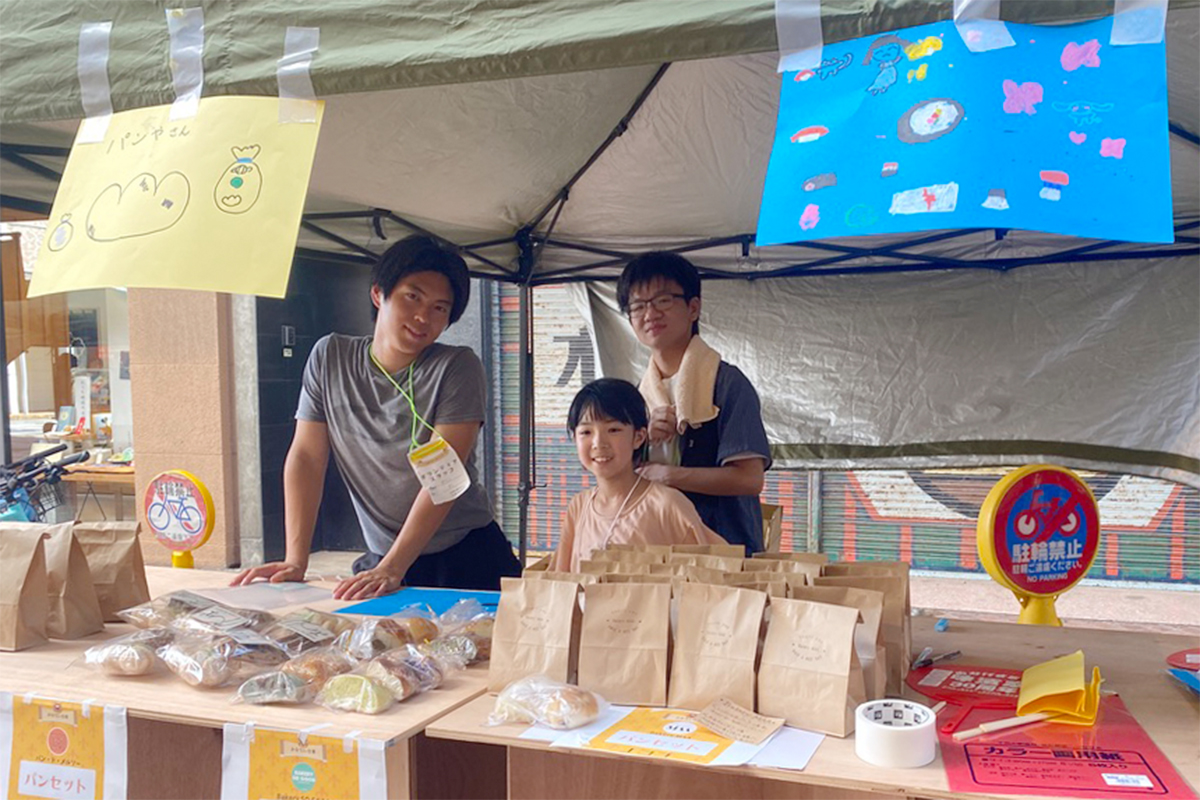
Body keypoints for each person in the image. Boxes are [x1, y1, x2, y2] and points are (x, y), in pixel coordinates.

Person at [233, 235, 521, 598]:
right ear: (378, 294)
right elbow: (307, 457)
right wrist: (296, 559)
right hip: (384, 557)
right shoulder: (330, 357)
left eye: (439, 308)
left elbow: (443, 476)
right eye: (412, 297)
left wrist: (394, 566)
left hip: (465, 555)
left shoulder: (456, 367)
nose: (423, 317)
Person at [617, 252, 771, 554]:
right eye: (637, 305)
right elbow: (622, 475)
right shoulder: (638, 394)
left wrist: (670, 476)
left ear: (693, 308)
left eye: (663, 300)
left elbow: (750, 479)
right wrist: (640, 438)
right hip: (654, 545)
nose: (650, 313)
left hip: (724, 548)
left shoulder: (727, 383)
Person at [552, 378, 724, 571]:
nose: (599, 443)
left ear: (638, 437)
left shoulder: (667, 505)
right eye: (586, 432)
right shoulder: (579, 507)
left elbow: (719, 570)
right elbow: (560, 582)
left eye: (613, 429)